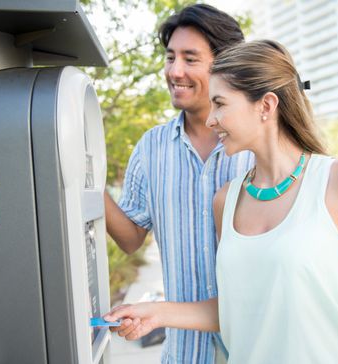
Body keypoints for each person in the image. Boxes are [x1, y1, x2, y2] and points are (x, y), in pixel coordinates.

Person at [104, 40, 338, 364]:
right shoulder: (226, 201)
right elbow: (236, 307)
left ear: (266, 106)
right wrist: (155, 313)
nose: (211, 119)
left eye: (220, 104)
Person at [104, 4, 254, 364]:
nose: (175, 71)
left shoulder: (257, 145)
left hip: (255, 348)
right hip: (184, 352)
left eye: (190, 58)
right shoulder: (150, 148)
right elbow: (130, 239)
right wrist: (86, 183)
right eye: (170, 57)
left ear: (225, 64)